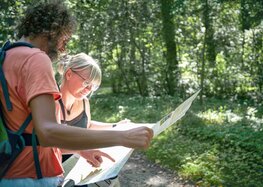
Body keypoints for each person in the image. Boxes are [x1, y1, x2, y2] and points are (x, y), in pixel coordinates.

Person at [0, 1, 153, 187]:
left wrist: (81, 150)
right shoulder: (36, 58)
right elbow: (48, 131)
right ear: (53, 30)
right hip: (34, 176)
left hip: (8, 172)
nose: (63, 49)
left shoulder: (6, 56)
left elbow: (28, 134)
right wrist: (123, 137)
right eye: (64, 40)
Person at [57, 53, 129, 187]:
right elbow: (44, 145)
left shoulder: (84, 103)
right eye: (86, 83)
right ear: (69, 74)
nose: (89, 89)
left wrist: (114, 125)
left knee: (111, 179)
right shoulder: (49, 102)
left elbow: (87, 125)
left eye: (94, 86)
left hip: (79, 165)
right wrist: (80, 151)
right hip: (53, 170)